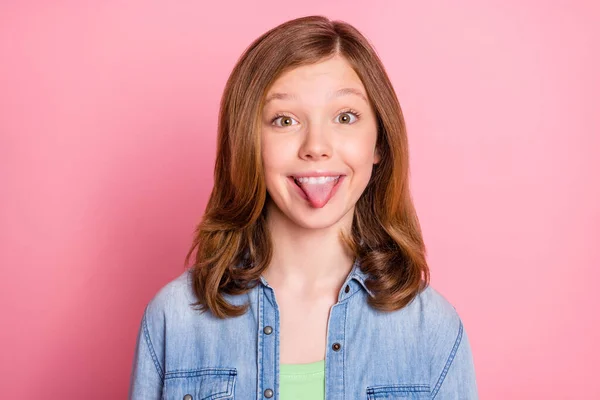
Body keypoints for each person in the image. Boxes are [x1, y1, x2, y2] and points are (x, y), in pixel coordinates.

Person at [128, 15, 478, 400]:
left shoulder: (433, 331)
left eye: (345, 117)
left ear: (379, 143)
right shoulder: (173, 320)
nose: (316, 145)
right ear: (248, 144)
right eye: (285, 119)